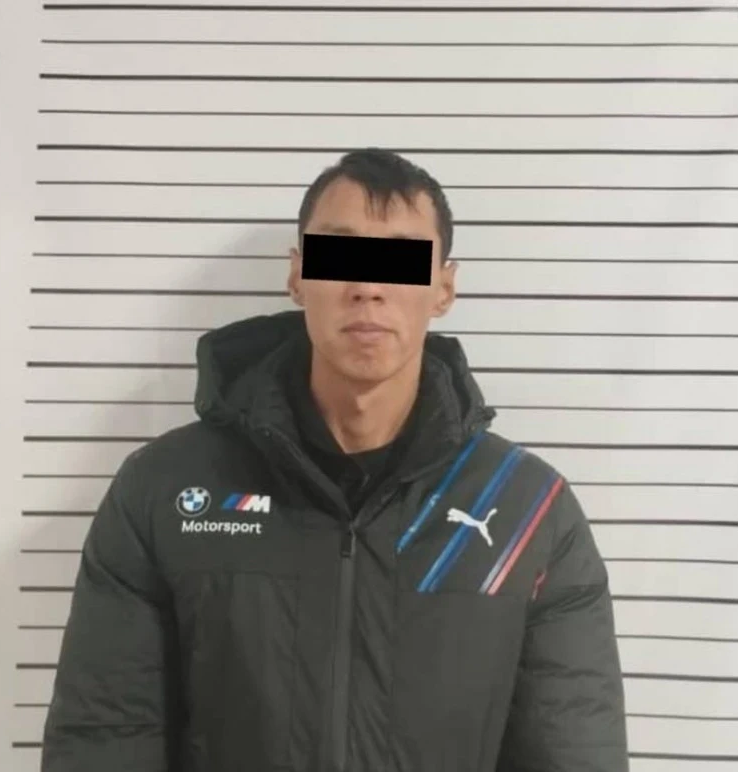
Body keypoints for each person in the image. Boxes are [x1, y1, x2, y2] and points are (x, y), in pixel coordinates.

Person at [40, 148, 629, 772]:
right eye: (341, 255)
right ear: (298, 275)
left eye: (400, 261)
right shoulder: (164, 490)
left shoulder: (529, 514)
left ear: (444, 288)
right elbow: (103, 740)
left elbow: (574, 758)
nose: (368, 288)